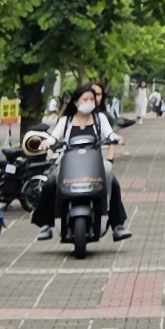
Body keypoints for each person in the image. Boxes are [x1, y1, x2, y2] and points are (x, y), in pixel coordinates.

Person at [35, 79, 129, 242]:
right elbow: (53, 137)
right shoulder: (66, 121)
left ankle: (117, 225)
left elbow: (110, 135)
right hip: (68, 162)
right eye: (85, 99)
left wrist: (116, 138)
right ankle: (46, 225)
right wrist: (46, 143)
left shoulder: (100, 119)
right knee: (50, 183)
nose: (89, 103)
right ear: (76, 101)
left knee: (112, 180)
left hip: (94, 163)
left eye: (91, 99)